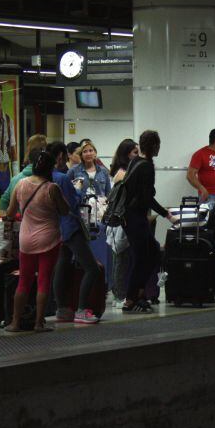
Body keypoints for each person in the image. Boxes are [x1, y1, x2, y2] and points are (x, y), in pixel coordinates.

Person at [5, 151, 69, 332]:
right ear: (50, 167)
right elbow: (64, 210)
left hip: (26, 240)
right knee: (43, 280)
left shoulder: (20, 184)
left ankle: (15, 323)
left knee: (24, 281)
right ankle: (39, 323)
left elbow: (10, 213)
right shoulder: (51, 188)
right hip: (49, 239)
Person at [121, 131, 177, 313]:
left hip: (129, 217)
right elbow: (147, 198)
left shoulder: (135, 162)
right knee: (146, 256)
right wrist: (166, 214)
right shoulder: (146, 167)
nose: (159, 147)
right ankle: (132, 298)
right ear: (154, 146)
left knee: (147, 254)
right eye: (158, 144)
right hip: (136, 217)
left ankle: (137, 295)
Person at [49, 143, 101, 325]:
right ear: (60, 156)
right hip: (71, 226)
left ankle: (62, 308)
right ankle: (82, 309)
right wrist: (78, 189)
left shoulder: (44, 178)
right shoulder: (62, 178)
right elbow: (73, 201)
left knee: (62, 265)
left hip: (58, 228)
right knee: (91, 268)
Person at [68, 139, 113, 286]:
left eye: (91, 150)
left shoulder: (104, 172)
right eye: (85, 151)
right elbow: (68, 192)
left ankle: (103, 279)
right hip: (83, 212)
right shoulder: (74, 171)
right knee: (87, 243)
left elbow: (108, 194)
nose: (88, 153)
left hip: (101, 212)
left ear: (95, 153)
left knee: (101, 242)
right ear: (81, 154)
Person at [108, 139, 140, 305]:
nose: (138, 155)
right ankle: (119, 295)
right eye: (135, 152)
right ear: (127, 154)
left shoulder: (127, 171)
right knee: (121, 259)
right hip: (122, 221)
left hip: (126, 220)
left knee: (124, 259)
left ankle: (121, 293)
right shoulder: (122, 174)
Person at [0, 134, 48, 214]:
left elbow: (4, 200)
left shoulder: (16, 179)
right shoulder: (49, 179)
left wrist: (7, 220)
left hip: (20, 224)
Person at [187, 128, 215, 207]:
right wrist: (202, 189)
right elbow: (190, 175)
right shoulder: (200, 154)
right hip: (209, 196)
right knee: (209, 219)